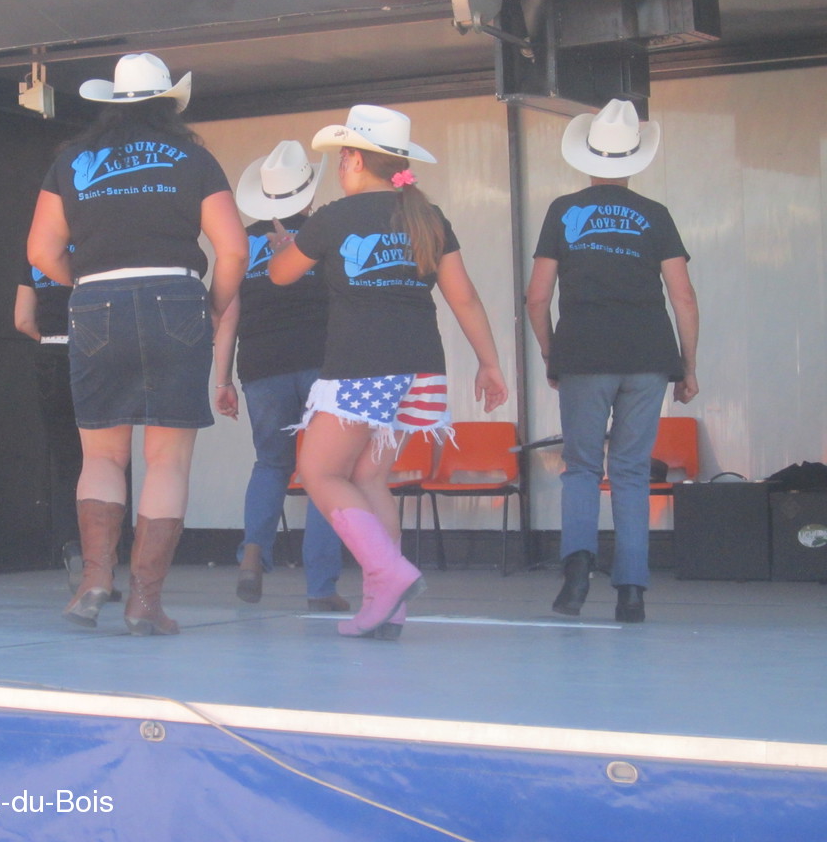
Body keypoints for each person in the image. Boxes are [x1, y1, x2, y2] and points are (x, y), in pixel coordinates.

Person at [27, 52, 248, 636]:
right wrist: (214, 305)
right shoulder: (194, 159)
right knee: (167, 460)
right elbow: (233, 250)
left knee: (101, 456)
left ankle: (94, 579)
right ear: (169, 106)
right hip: (175, 296)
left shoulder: (71, 161)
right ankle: (145, 603)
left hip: (96, 302)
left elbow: (40, 251)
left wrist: (89, 282)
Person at [270, 105, 507, 640]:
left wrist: (285, 247)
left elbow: (281, 275)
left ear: (355, 160)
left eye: (341, 158)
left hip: (361, 366)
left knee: (319, 472)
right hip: (420, 368)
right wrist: (490, 363)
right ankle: (388, 609)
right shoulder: (428, 216)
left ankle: (388, 571)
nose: (339, 167)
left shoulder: (334, 217)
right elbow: (464, 298)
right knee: (371, 477)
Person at [526, 98, 699, 624]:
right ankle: (632, 593)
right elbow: (683, 296)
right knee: (630, 471)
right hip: (648, 355)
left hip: (584, 352)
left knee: (581, 467)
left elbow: (537, 297)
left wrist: (552, 353)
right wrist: (688, 366)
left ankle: (577, 577)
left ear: (587, 156)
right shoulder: (656, 214)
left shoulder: (563, 210)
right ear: (634, 159)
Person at [213, 141, 349, 612]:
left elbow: (227, 314)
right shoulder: (325, 232)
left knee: (271, 463)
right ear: (308, 190)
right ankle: (322, 587)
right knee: (325, 472)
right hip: (322, 363)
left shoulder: (242, 243)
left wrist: (222, 380)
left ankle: (253, 553)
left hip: (261, 366)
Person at [13, 255, 121, 601]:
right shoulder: (94, 246)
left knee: (66, 464)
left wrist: (49, 339)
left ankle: (72, 548)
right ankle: (102, 564)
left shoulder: (34, 257)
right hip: (95, 353)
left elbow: (22, 320)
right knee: (105, 462)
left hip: (50, 355)